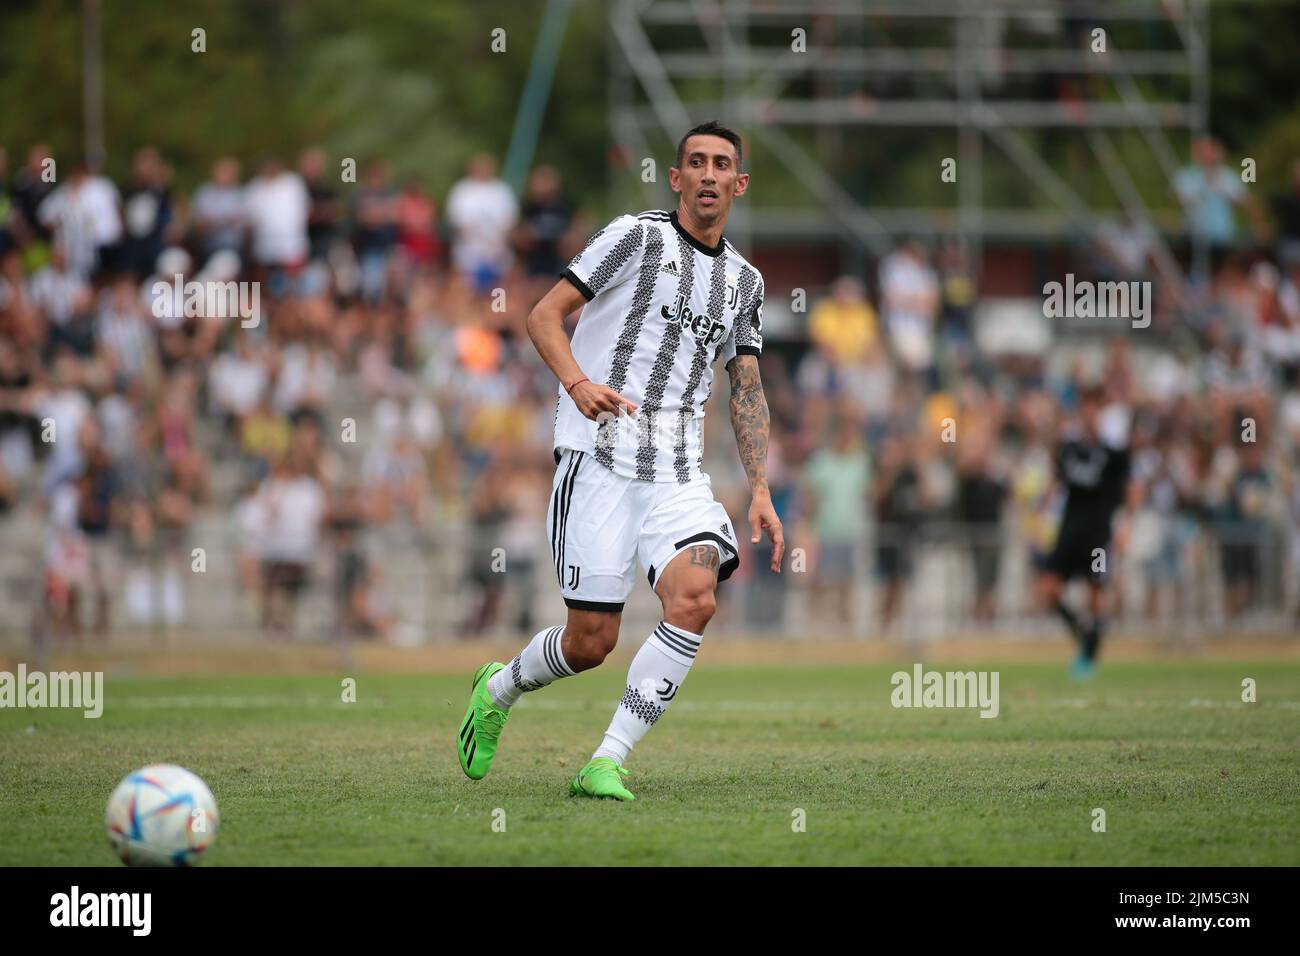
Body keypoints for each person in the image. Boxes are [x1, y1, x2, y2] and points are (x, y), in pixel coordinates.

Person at [454, 121, 784, 801]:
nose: (709, 174)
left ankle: (607, 759)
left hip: (679, 473)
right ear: (677, 177)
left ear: (739, 183)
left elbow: (746, 387)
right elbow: (546, 314)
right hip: (598, 459)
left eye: (722, 164)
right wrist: (577, 383)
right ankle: (498, 689)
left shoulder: (746, 282)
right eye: (696, 162)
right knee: (590, 643)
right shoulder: (636, 236)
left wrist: (760, 488)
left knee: (695, 597)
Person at [1035, 386, 1132, 678]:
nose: (1090, 415)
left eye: (1095, 409)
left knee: (1096, 594)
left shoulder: (1115, 455)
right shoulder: (1069, 449)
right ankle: (1085, 638)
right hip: (1069, 531)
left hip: (1098, 535)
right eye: (1085, 408)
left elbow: (1126, 493)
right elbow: (1056, 482)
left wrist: (1125, 525)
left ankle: (1089, 657)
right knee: (1049, 590)